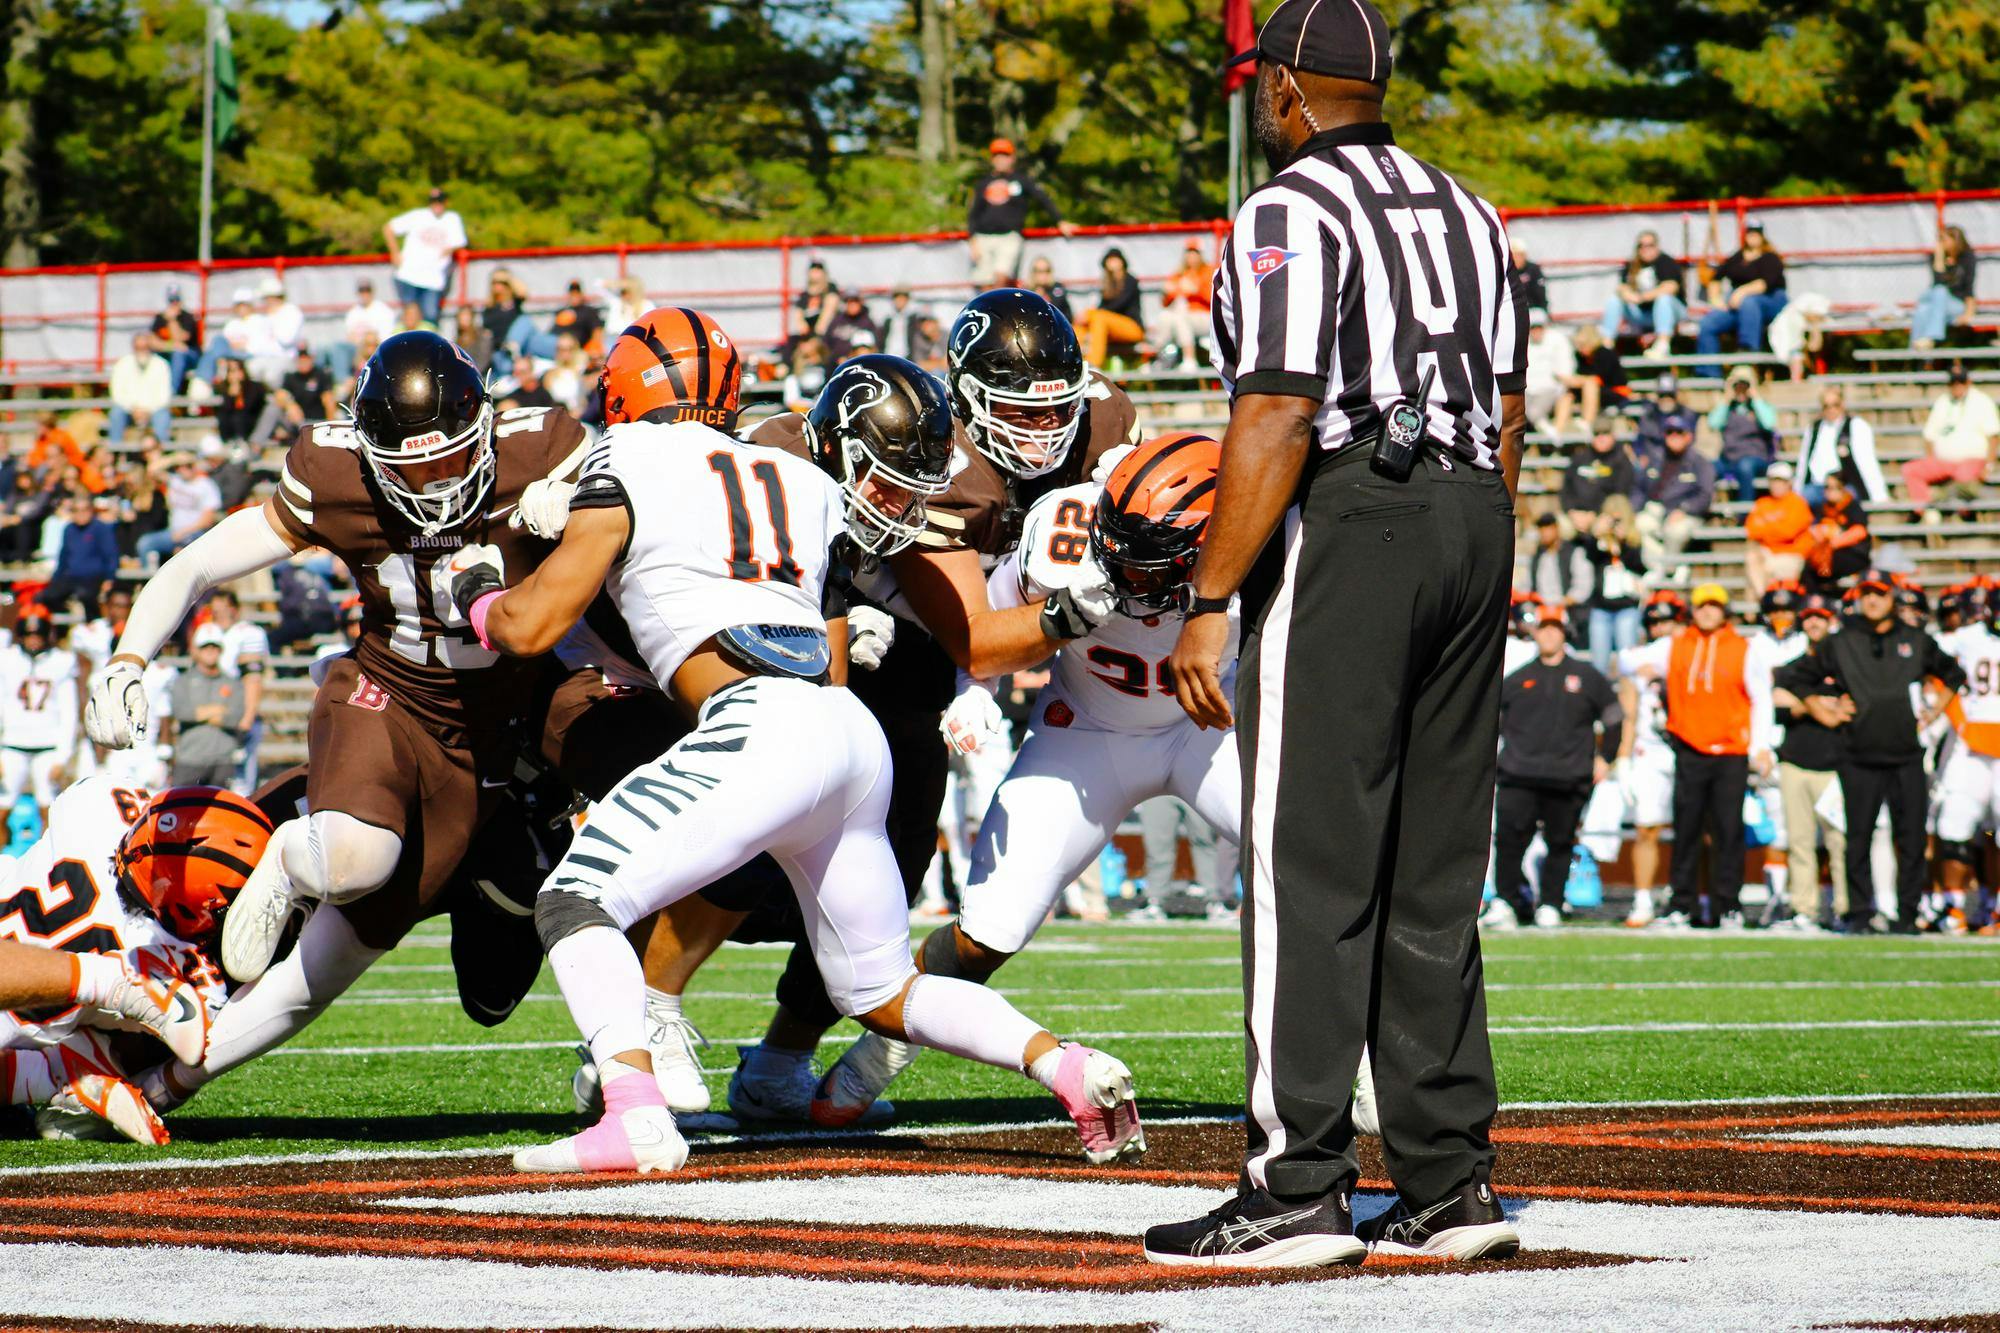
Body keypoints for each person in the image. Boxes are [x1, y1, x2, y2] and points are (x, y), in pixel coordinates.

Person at [450, 330, 1143, 1175]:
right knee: (880, 990)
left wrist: (477, 587)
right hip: (847, 733)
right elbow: (823, 638)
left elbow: (530, 628)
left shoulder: (627, 455)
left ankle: (630, 1112)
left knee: (575, 896)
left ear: (622, 394)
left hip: (756, 724)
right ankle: (1067, 1065)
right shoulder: (807, 486)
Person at [1149, 0, 1524, 1267]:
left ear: (1288, 92)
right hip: (1477, 510)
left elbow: (1277, 411)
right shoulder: (1472, 211)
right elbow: (1509, 404)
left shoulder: (1285, 210)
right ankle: (1447, 1180)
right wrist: (1464, 539)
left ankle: (1294, 1181)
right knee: (1432, 866)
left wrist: (1210, 600)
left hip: (1358, 511)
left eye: (1262, 83)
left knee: (1307, 859)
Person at [84, 332, 589, 1116]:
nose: (436, 482)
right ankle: (294, 854)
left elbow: (654, 499)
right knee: (353, 861)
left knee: (341, 960)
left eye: (451, 457)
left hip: (484, 744)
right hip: (385, 696)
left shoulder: (548, 447)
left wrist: (592, 501)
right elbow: (199, 562)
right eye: (411, 467)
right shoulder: (333, 468)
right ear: (368, 450)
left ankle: (169, 1080)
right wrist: (127, 658)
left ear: (487, 423)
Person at [815, 434, 1242, 1120]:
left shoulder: (1266, 547)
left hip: (1212, 729)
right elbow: (986, 623)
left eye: (1148, 555)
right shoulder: (1066, 531)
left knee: (1308, 882)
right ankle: (883, 1048)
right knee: (988, 927)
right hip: (1087, 733)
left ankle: (1363, 1062)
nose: (1125, 569)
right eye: (1117, 541)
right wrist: (972, 686)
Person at [0, 781, 268, 1144]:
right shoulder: (175, 961)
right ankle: (64, 1064)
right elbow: (190, 1045)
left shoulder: (94, 803)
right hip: (21, 1024)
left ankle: (60, 1072)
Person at [1807, 571, 1964, 932]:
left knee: (1910, 838)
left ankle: (1907, 914)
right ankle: (1861, 913)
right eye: (1866, 594)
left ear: (1892, 598)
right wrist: (1823, 707)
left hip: (1906, 753)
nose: (1873, 601)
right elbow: (1798, 677)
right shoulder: (1841, 641)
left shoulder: (1915, 639)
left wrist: (1937, 706)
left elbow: (1953, 673)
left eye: (1879, 594)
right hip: (1858, 754)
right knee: (1858, 838)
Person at [1624, 583, 1776, 929]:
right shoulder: (1675, 645)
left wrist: (1760, 745)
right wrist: (1641, 669)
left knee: (1727, 831)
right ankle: (1682, 904)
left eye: (1714, 606)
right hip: (1690, 748)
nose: (1708, 611)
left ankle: (1728, 906)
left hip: (1730, 751)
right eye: (1702, 606)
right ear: (1692, 610)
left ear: (1725, 611)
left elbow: (1761, 697)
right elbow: (1626, 662)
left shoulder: (1743, 648)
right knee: (1687, 831)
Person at [1493, 605, 1620, 928]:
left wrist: (1606, 758)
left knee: (1560, 842)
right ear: (1534, 633)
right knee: (1509, 841)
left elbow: (1614, 717)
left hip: (1568, 775)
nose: (1548, 634)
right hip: (1518, 774)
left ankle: (1551, 902)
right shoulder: (1518, 678)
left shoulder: (1587, 676)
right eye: (1543, 628)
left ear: (1565, 633)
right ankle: (1508, 900)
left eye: (1555, 628)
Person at [1769, 595, 1848, 931]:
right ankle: (1805, 908)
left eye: (1822, 616)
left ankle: (1846, 908)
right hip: (1796, 762)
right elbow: (1778, 703)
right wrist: (1824, 707)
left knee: (1840, 842)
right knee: (1799, 841)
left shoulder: (1847, 666)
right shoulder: (1793, 666)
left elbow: (1853, 707)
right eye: (1810, 617)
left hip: (1836, 764)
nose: (1815, 623)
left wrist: (1805, 702)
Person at [1613, 593, 1688, 926]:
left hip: (1689, 747)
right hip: (1650, 749)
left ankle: (1687, 896)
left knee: (1697, 828)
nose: (1660, 628)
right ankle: (1643, 899)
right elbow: (1627, 700)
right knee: (1647, 827)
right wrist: (1624, 755)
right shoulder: (1636, 657)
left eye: (1666, 621)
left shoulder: (1688, 651)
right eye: (1654, 622)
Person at [1932, 594, 2000, 933]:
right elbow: (1935, 669)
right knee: (1953, 824)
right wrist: (1958, 719)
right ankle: (1953, 907)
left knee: (1996, 833)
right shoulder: (1968, 637)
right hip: (1973, 745)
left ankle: (1994, 909)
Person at [966, 138, 1076, 288]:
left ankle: (997, 309)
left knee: (1001, 276)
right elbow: (974, 213)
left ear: (1012, 158)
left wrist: (1060, 220)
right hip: (983, 237)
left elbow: (1042, 198)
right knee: (984, 281)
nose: (1000, 159)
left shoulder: (1021, 180)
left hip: (1009, 237)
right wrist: (973, 240)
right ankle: (990, 309)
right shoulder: (983, 183)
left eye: (1004, 155)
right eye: (997, 155)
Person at [0, 611, 79, 817]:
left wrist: (63, 756)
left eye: (38, 635)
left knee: (49, 811)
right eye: (29, 635)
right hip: (11, 745)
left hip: (47, 746)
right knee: (2, 807)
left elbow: (69, 712)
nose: (33, 640)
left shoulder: (62, 661)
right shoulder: (7, 659)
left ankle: (48, 850)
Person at [1695, 219, 1787, 378]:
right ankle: (1708, 373)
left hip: (1770, 302)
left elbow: (1765, 284)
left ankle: (1747, 353)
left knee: (1750, 302)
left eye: (1756, 233)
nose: (1753, 237)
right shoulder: (1737, 257)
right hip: (1738, 307)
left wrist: (1741, 292)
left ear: (1762, 236)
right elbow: (1715, 278)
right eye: (1750, 232)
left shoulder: (1770, 258)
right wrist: (1716, 300)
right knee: (1708, 323)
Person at [1904, 366, 2000, 516]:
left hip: (1972, 461)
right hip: (1945, 462)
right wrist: (1932, 460)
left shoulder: (1982, 401)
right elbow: (1929, 436)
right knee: (1911, 470)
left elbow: (1993, 436)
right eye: (1953, 383)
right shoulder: (1942, 402)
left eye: (1960, 382)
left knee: (1964, 477)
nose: (1957, 386)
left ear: (1968, 382)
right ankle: (1925, 512)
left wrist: (1988, 465)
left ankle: (1951, 506)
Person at [1631, 414, 1712, 579]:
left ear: (1688, 436)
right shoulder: (1656, 459)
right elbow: (1639, 489)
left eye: (1679, 432)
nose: (1674, 436)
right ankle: (1663, 567)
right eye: (1670, 432)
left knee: (1675, 531)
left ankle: (1667, 570)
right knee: (1639, 524)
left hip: (1685, 512)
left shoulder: (1699, 462)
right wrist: (1632, 510)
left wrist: (1684, 509)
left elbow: (1706, 495)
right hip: (1656, 508)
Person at [169, 625, 245, 787]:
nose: (210, 651)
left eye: (214, 647)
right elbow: (181, 712)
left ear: (221, 650)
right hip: (190, 758)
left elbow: (235, 717)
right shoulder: (183, 680)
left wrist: (201, 713)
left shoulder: (232, 683)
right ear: (196, 650)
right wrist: (217, 710)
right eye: (205, 647)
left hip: (222, 759)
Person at [208, 587, 268, 789]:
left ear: (234, 610)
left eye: (222, 610)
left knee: (240, 784)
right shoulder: (211, 632)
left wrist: (247, 718)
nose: (218, 616)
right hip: (215, 715)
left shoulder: (248, 633)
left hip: (237, 712)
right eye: (215, 611)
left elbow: (252, 678)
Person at [382, 187, 467, 324]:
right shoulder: (418, 216)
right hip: (408, 275)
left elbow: (460, 241)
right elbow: (388, 228)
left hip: (433, 279)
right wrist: (395, 253)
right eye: (434, 201)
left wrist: (448, 249)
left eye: (440, 201)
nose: (437, 205)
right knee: (411, 320)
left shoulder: (452, 219)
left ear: (445, 202)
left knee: (430, 319)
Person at [1581, 497, 1645, 673]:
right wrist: (1596, 534)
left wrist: (1624, 543)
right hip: (1601, 607)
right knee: (1599, 664)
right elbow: (1589, 555)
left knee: (1628, 662)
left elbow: (1638, 567)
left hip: (1626, 606)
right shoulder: (1600, 542)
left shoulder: (1633, 541)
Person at [1797, 384, 1887, 507]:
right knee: (1802, 501)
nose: (1831, 409)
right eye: (1826, 406)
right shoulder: (1814, 428)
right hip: (1818, 486)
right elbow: (1803, 462)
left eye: (1835, 405)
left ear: (1842, 404)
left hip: (1846, 486)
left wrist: (1879, 495)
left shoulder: (1856, 426)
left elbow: (1867, 462)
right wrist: (1797, 491)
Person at [1600, 230, 1686, 359]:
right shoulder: (1632, 265)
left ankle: (1662, 345)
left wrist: (1642, 297)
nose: (1645, 249)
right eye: (1641, 245)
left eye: (1650, 245)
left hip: (1672, 313)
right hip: (1642, 314)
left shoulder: (1666, 262)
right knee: (1614, 300)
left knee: (1664, 299)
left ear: (1657, 246)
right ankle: (1606, 346)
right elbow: (1621, 287)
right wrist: (1628, 295)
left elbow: (1670, 287)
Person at [135, 451, 221, 571]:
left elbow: (207, 520)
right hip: (173, 532)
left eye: (187, 466)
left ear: (194, 466)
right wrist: (173, 459)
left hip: (196, 533)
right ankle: (148, 582)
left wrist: (183, 532)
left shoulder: (206, 485)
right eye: (179, 467)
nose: (183, 469)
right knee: (145, 543)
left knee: (181, 552)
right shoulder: (175, 481)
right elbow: (152, 469)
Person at [41, 495, 119, 620]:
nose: (81, 514)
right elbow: (64, 557)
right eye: (76, 510)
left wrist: (109, 578)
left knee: (85, 595)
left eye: (84, 510)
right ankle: (64, 628)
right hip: (71, 576)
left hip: (93, 577)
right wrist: (55, 580)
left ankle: (93, 623)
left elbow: (111, 555)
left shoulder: (101, 529)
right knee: (46, 597)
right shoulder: (69, 529)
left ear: (91, 511)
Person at [1707, 366, 1779, 499]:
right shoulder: (1727, 407)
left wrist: (1755, 397)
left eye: (1744, 385)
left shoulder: (1761, 405)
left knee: (1745, 466)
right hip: (1729, 459)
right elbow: (1713, 424)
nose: (1740, 389)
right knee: (1708, 468)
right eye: (1737, 385)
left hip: (1756, 459)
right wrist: (1726, 398)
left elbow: (1769, 424)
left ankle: (1745, 513)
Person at [1744, 461, 1813, 597]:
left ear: (1789, 483)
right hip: (1768, 553)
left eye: (1781, 481)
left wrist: (1766, 527)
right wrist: (1776, 528)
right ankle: (1763, 599)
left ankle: (1765, 603)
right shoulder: (1762, 503)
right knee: (1752, 558)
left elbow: (1788, 532)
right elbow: (1752, 531)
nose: (1777, 485)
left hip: (1791, 554)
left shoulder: (1797, 503)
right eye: (1774, 481)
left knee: (1760, 576)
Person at [1560, 416, 1635, 535]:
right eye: (1597, 433)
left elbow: (1619, 495)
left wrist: (1594, 514)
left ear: (1612, 435)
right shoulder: (1580, 458)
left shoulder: (1621, 461)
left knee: (1603, 528)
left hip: (1605, 515)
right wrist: (1572, 512)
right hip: (1576, 514)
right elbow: (1566, 489)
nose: (1601, 438)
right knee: (1561, 527)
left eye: (1605, 433)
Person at [1075, 248, 1149, 368]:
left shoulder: (1130, 280)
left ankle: (1093, 366)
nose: (1112, 263)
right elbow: (1102, 308)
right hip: (1111, 330)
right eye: (1109, 260)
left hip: (1132, 328)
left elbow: (1118, 305)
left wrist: (1089, 313)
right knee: (1080, 327)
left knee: (1097, 317)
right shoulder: (1108, 284)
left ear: (1122, 262)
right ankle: (1073, 363)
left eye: (1115, 259)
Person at [1802, 472, 1871, 596]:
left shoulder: (1852, 506)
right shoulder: (1823, 508)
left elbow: (1859, 532)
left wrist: (1833, 541)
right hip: (1828, 552)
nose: (1829, 491)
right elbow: (1815, 528)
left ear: (1843, 488)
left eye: (1834, 487)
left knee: (1822, 564)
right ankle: (1813, 602)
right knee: (1809, 567)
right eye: (1827, 487)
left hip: (1853, 554)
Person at [1912, 225, 1977, 349]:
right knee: (1925, 307)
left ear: (1955, 240)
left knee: (1924, 310)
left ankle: (1929, 338)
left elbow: (1969, 286)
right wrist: (1939, 257)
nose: (1940, 243)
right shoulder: (1936, 257)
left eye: (1943, 239)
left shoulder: (1967, 258)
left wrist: (1969, 312)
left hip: (1956, 304)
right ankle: (1921, 353)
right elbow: (1938, 281)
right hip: (1937, 302)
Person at [107, 333, 174, 445]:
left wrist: (148, 410)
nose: (142, 350)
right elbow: (117, 394)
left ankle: (161, 453)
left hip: (153, 410)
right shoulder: (122, 364)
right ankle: (115, 452)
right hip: (128, 410)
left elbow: (164, 395)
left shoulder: (161, 364)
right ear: (133, 348)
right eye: (138, 347)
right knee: (116, 414)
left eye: (145, 347)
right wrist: (133, 409)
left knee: (163, 416)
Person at [1158, 243, 1216, 369]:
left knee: (1181, 318)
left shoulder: (1209, 271)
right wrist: (1167, 293)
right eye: (1189, 252)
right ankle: (1160, 357)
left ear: (1200, 255)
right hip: (1182, 317)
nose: (1191, 256)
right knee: (1165, 317)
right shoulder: (1179, 274)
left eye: (1194, 252)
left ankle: (1189, 359)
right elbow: (1165, 303)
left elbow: (1217, 299)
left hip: (1206, 317)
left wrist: (1197, 291)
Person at [1522, 512, 1589, 612]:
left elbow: (1583, 585)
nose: (1544, 532)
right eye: (1541, 528)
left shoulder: (1573, 552)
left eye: (1548, 527)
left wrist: (1565, 602)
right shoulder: (1538, 555)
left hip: (1569, 612)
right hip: (1541, 611)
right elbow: (1528, 584)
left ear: (1557, 528)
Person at [1523, 311, 1576, 437]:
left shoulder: (1558, 340)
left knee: (1533, 413)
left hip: (1549, 389)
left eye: (1539, 327)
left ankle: (1552, 435)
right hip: (1526, 389)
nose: (1536, 331)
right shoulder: (1523, 341)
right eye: (1533, 327)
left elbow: (1564, 371)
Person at [151, 285, 201, 392]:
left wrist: (171, 320)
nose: (174, 303)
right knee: (152, 357)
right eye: (171, 300)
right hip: (168, 354)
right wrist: (170, 346)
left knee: (178, 354)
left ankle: (171, 394)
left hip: (190, 356)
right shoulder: (160, 317)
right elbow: (152, 342)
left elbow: (180, 339)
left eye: (176, 300)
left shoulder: (188, 317)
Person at [787, 261, 840, 350]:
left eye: (818, 271)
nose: (815, 274)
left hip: (825, 333)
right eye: (813, 271)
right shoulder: (804, 295)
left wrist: (817, 334)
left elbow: (828, 313)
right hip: (807, 333)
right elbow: (798, 314)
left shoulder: (830, 289)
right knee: (790, 344)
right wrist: (803, 328)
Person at [281, 346, 334, 422]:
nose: (303, 362)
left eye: (305, 358)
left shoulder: (321, 376)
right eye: (300, 359)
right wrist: (290, 405)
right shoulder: (291, 377)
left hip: (317, 420)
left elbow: (328, 397)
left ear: (311, 359)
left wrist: (330, 423)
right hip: (296, 420)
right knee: (273, 409)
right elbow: (280, 393)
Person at [825, 289, 880, 362]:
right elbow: (826, 343)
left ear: (861, 302)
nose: (852, 304)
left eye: (855, 301)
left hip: (858, 362)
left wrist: (849, 359)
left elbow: (874, 348)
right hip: (834, 364)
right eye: (849, 301)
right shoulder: (837, 321)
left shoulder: (867, 323)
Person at [781, 336, 829, 414]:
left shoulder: (827, 374)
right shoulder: (793, 379)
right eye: (807, 357)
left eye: (815, 355)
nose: (811, 361)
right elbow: (792, 403)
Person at [1025, 255, 1074, 323]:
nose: (1044, 274)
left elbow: (1068, 316)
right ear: (1033, 273)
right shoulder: (1026, 292)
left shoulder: (1057, 289)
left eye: (1047, 270)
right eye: (1039, 271)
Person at [878, 287, 923, 360]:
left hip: (906, 357)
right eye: (897, 298)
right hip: (889, 355)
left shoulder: (913, 318)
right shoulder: (888, 319)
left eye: (903, 299)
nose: (899, 301)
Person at [1509, 236, 1548, 314]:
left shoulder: (1533, 269)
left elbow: (1540, 294)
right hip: (1511, 310)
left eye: (1520, 255)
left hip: (1531, 309)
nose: (1517, 258)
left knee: (1538, 316)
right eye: (1515, 255)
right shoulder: (1506, 272)